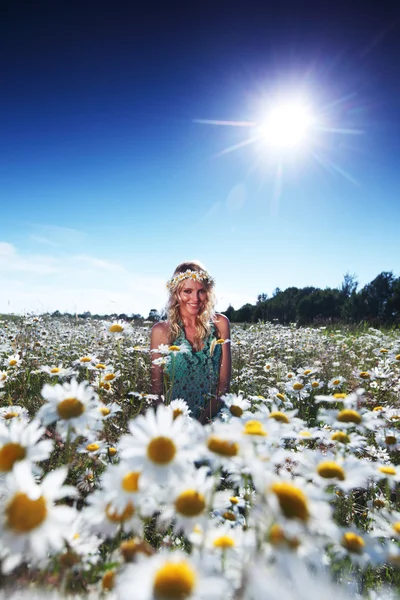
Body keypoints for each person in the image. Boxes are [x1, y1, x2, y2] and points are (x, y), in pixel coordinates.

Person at [150, 261, 231, 424]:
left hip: (215, 420)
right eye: (187, 291)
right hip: (175, 423)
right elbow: (156, 391)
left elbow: (224, 384)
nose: (195, 298)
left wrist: (202, 422)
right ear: (176, 293)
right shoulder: (161, 331)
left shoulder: (220, 324)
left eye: (201, 291)